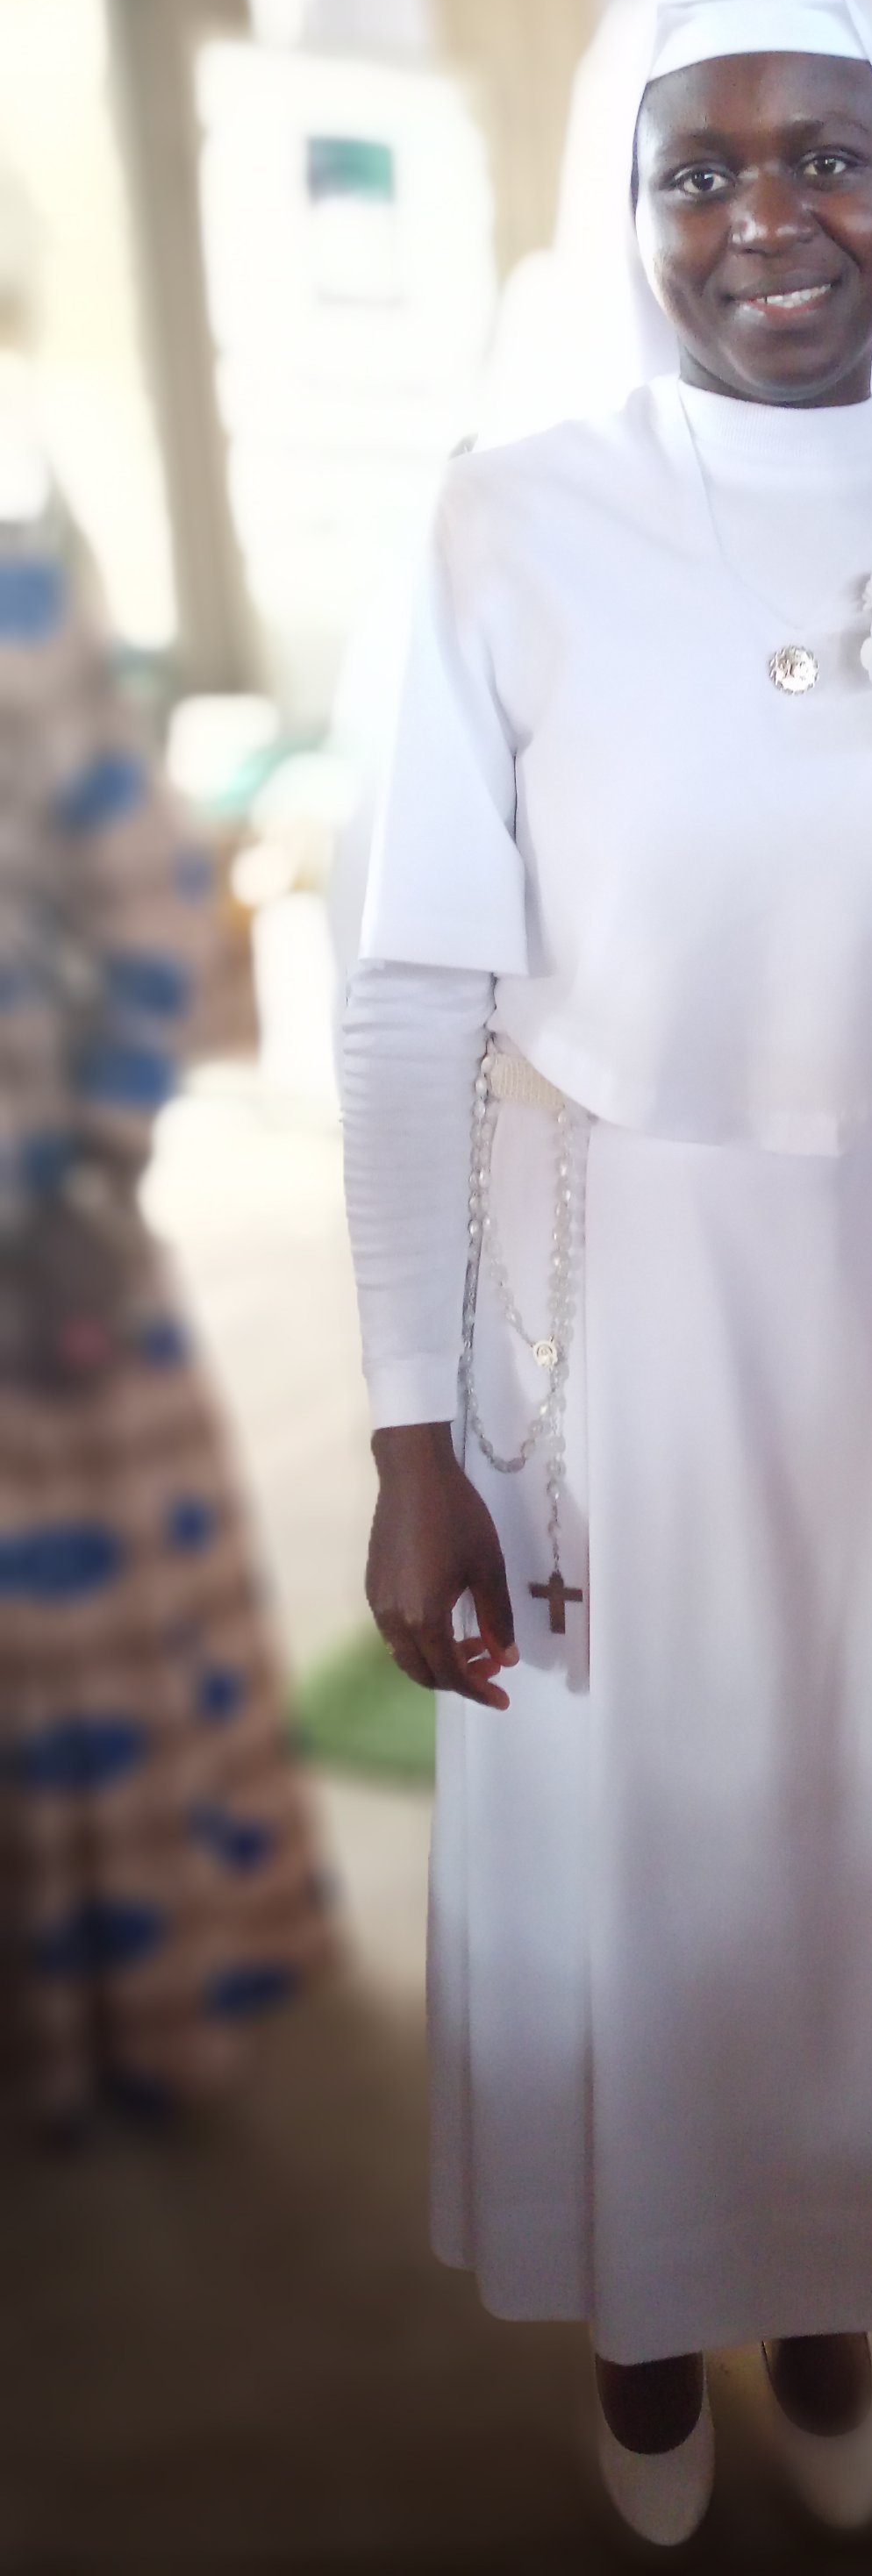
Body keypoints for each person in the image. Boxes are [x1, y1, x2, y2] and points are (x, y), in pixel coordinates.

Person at [339, 0, 872, 2548]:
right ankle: (646, 2325)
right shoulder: (507, 526)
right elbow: (409, 995)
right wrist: (411, 1426)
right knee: (644, 1849)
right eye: (704, 168)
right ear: (631, 205)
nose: (768, 216)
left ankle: (826, 2291)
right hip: (597, 1301)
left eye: (826, 159)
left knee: (858, 1837)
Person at [0, 465, 326, 2136]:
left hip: (30, 1243)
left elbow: (151, 904)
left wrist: (92, 1175)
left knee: (73, 1658)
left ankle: (118, 2023)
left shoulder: (16, 604)